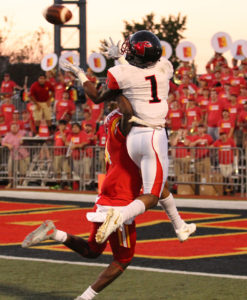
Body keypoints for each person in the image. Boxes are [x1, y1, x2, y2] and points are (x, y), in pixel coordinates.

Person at [22, 101, 195, 300]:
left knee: (93, 250)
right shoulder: (127, 128)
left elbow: (159, 188)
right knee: (123, 259)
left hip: (106, 194)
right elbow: (129, 113)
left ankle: (55, 233)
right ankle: (84, 298)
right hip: (120, 202)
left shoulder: (113, 120)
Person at [60, 31, 176, 244]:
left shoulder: (115, 112)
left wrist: (81, 74)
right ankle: (176, 224)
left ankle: (178, 224)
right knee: (155, 192)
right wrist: (119, 59)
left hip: (131, 148)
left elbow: (100, 95)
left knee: (96, 249)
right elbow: (140, 75)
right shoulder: (164, 68)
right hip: (154, 132)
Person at [2, 123, 30, 188]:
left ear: (18, 128)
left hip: (23, 155)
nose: (14, 128)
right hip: (13, 155)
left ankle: (20, 184)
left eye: (15, 127)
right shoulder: (8, 135)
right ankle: (11, 183)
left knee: (23, 171)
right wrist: (8, 145)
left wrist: (24, 139)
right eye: (13, 127)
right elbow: (3, 142)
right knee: (10, 169)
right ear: (10, 128)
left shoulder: (22, 132)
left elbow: (30, 135)